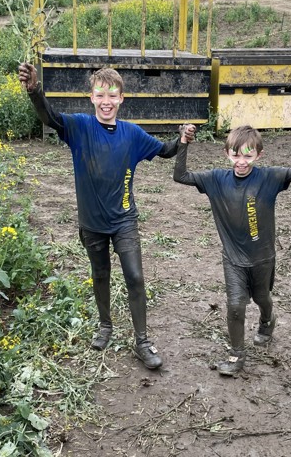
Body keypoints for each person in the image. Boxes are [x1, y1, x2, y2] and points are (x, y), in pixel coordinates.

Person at [18, 62, 195, 370]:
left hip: (124, 219)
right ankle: (105, 326)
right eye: (100, 95)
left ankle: (142, 341)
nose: (106, 101)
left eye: (112, 95)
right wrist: (35, 91)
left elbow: (165, 150)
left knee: (135, 277)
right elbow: (50, 118)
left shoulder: (133, 135)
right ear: (92, 97)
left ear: (121, 99)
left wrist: (182, 140)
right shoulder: (79, 128)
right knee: (100, 275)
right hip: (92, 223)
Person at [174, 125, 291, 376]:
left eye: (248, 156)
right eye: (236, 155)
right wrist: (183, 142)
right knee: (236, 305)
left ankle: (267, 319)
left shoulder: (270, 177)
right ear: (227, 153)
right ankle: (237, 355)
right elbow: (180, 175)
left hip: (262, 257)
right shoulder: (215, 179)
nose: (241, 161)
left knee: (261, 298)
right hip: (233, 259)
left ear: (259, 155)